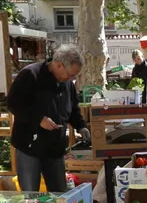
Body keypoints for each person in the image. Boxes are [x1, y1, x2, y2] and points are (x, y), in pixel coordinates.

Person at [7, 45, 90, 192]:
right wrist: (39, 119)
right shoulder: (30, 75)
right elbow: (13, 104)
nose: (71, 79)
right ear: (59, 65)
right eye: (70, 75)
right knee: (30, 196)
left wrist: (81, 126)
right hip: (29, 147)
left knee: (60, 195)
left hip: (55, 149)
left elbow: (72, 109)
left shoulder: (67, 84)